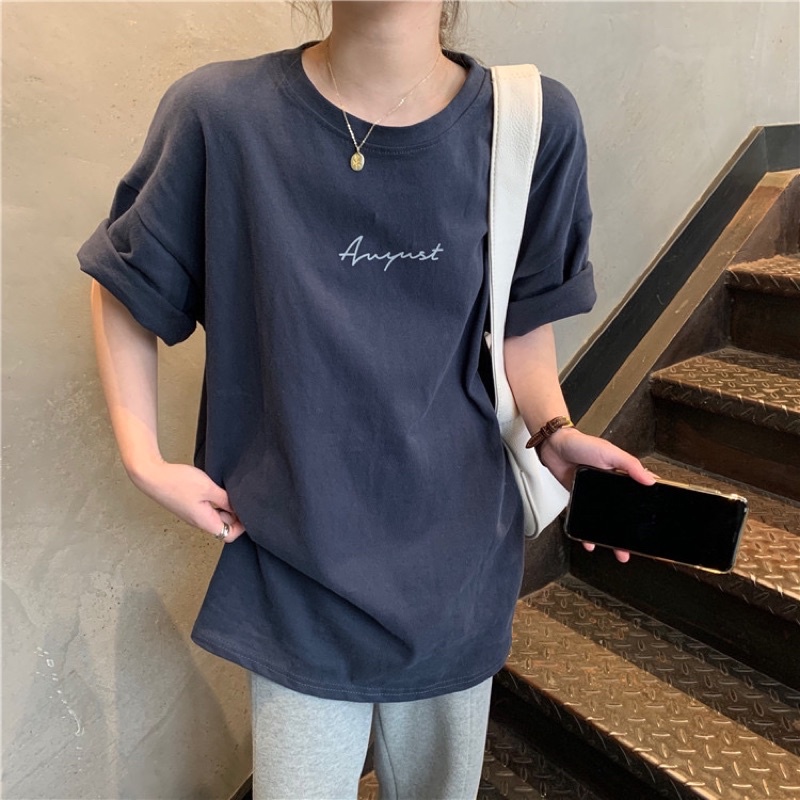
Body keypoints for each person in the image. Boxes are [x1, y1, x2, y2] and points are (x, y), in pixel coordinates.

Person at [78, 2, 654, 798]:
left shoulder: (531, 122)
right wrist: (143, 460)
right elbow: (126, 282)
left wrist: (553, 427)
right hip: (295, 562)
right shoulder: (220, 115)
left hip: (456, 565)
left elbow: (520, 322)